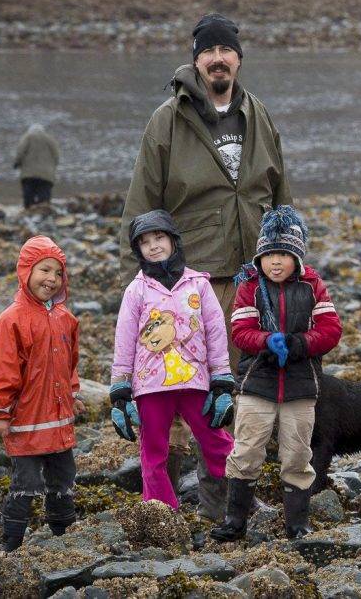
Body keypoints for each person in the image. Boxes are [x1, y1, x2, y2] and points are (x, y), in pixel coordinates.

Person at [119, 13, 292, 520]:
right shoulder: (167, 120)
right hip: (188, 280)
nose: (219, 58)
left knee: (239, 388)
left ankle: (227, 497)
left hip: (253, 277)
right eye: (209, 50)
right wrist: (146, 279)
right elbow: (140, 206)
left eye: (227, 50)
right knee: (173, 384)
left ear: (239, 58)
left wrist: (291, 262)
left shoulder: (258, 113)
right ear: (196, 58)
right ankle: (162, 502)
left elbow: (280, 193)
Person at [210, 206, 342, 542]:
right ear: (260, 258)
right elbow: (240, 330)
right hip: (257, 383)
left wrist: (299, 344)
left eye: (284, 254)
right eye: (270, 255)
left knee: (297, 454)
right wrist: (267, 341)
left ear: (297, 257)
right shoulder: (249, 287)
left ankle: (297, 523)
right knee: (247, 449)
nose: (276, 262)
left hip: (300, 386)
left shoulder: (313, 286)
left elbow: (330, 330)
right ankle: (234, 520)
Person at [109, 209, 236, 508]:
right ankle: (162, 511)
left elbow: (216, 332)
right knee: (153, 451)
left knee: (216, 441)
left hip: (195, 382)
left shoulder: (199, 284)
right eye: (145, 242)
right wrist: (119, 387)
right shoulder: (136, 290)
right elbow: (124, 338)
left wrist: (222, 379)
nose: (153, 245)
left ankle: (239, 497)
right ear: (137, 250)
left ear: (173, 240)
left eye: (159, 237)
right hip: (150, 387)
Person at [0, 236, 82, 552]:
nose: (51, 279)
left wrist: (74, 394)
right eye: (44, 271)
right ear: (26, 271)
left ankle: (63, 536)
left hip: (58, 417)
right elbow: (2, 370)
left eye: (58, 273)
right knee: (26, 485)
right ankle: (11, 543)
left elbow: (71, 363)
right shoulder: (9, 321)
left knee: (64, 478)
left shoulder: (66, 318)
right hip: (25, 419)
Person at [14, 124, 60, 208]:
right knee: (44, 199)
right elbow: (56, 156)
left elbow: (20, 152)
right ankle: (42, 215)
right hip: (46, 175)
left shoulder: (28, 137)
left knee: (29, 198)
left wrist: (17, 163)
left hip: (29, 174)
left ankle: (29, 213)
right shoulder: (50, 139)